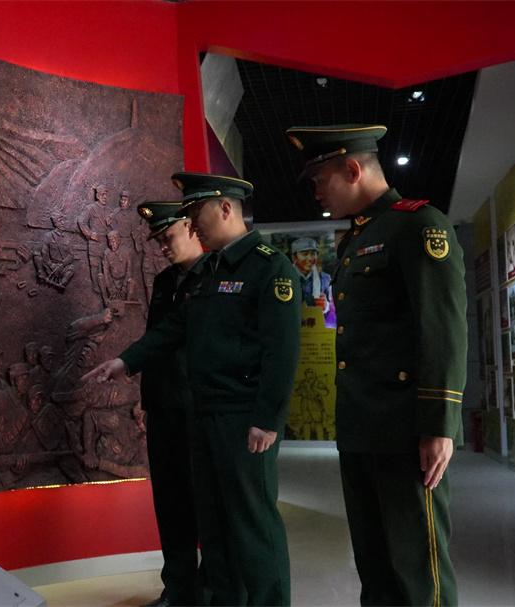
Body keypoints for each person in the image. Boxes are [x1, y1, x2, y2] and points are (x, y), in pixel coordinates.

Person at [85, 173, 301, 606]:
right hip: (205, 415)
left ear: (226, 208)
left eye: (196, 212)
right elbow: (173, 329)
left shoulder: (268, 267)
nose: (193, 223)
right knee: (215, 527)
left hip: (243, 420)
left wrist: (267, 419)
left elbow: (282, 351)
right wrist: (126, 361)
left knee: (253, 527)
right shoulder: (210, 272)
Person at [285, 124, 466, 606]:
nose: (316, 191)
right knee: (376, 567)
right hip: (362, 428)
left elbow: (442, 330)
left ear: (352, 169)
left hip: (406, 432)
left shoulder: (418, 226)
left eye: (320, 178)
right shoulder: (357, 238)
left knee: (418, 572)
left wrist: (439, 425)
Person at [131, 200, 206, 607]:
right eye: (157, 239)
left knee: (204, 501)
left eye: (167, 236)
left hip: (200, 408)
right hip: (164, 408)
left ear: (191, 227)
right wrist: (147, 403)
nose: (162, 245)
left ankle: (211, 588)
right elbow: (154, 344)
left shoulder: (215, 275)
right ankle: (178, 589)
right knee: (170, 501)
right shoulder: (164, 282)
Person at [291, 237, 335, 325]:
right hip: (293, 326)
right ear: (294, 257)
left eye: (313, 254)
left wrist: (326, 306)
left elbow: (334, 307)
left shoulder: (326, 279)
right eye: (305, 254)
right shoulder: (286, 278)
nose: (310, 258)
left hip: (317, 328)